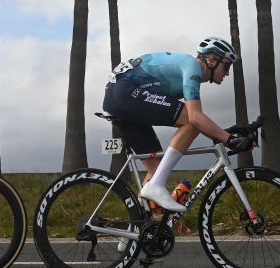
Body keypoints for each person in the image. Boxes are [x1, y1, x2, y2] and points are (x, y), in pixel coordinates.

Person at [101, 36, 253, 213]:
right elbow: (195, 118)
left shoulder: (189, 72)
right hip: (125, 92)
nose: (227, 72)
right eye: (226, 66)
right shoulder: (192, 67)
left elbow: (199, 120)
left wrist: (225, 134)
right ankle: (156, 187)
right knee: (190, 119)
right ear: (211, 60)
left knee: (156, 171)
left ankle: (134, 234)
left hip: (121, 98)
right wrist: (230, 140)